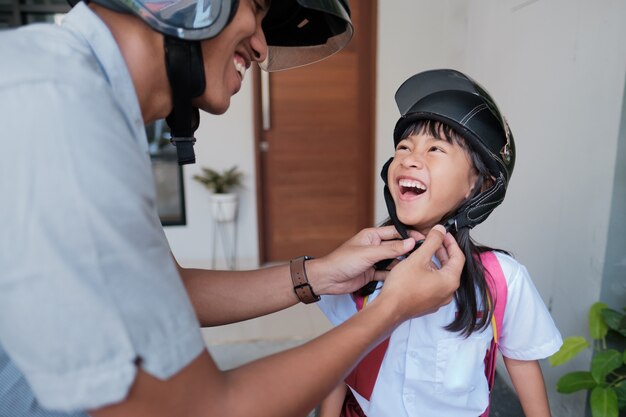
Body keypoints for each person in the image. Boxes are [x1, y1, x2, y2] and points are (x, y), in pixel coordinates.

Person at [0, 2, 466, 417]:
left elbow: (167, 291)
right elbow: (204, 408)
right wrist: (390, 311)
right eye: (257, 9)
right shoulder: (59, 117)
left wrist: (318, 274)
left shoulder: (66, 88)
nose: (262, 47)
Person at [316, 69, 563, 417]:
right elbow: (339, 357)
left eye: (435, 149)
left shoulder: (503, 279)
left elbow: (522, 365)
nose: (410, 158)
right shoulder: (365, 265)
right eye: (403, 147)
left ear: (479, 186)